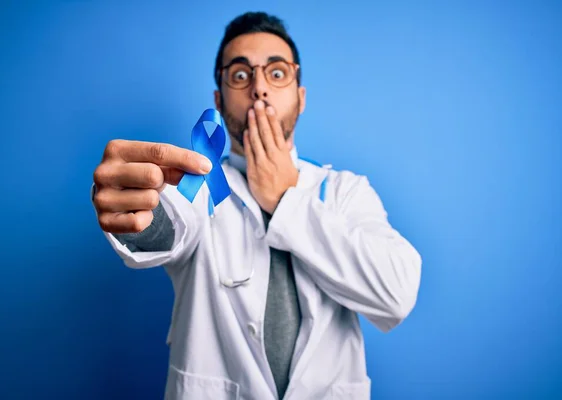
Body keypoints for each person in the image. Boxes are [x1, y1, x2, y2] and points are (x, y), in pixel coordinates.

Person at [92, 11, 421, 400]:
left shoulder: (345, 192)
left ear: (300, 97)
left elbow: (397, 292)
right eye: (241, 75)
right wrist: (137, 211)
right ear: (219, 98)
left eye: (277, 73)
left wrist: (285, 198)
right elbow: (170, 224)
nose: (259, 88)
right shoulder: (200, 182)